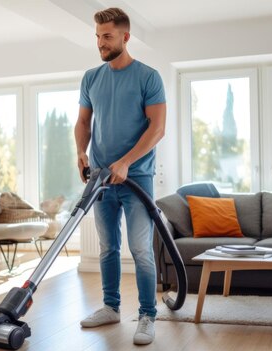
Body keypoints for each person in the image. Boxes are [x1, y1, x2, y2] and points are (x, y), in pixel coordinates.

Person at [74, 7, 166, 345]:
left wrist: (126, 162)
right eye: (97, 36)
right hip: (100, 178)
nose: (100, 42)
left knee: (140, 248)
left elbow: (157, 129)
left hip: (136, 178)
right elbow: (84, 123)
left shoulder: (148, 77)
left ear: (125, 37)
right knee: (107, 246)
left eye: (107, 36)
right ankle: (111, 307)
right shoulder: (91, 78)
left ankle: (147, 315)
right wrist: (81, 152)